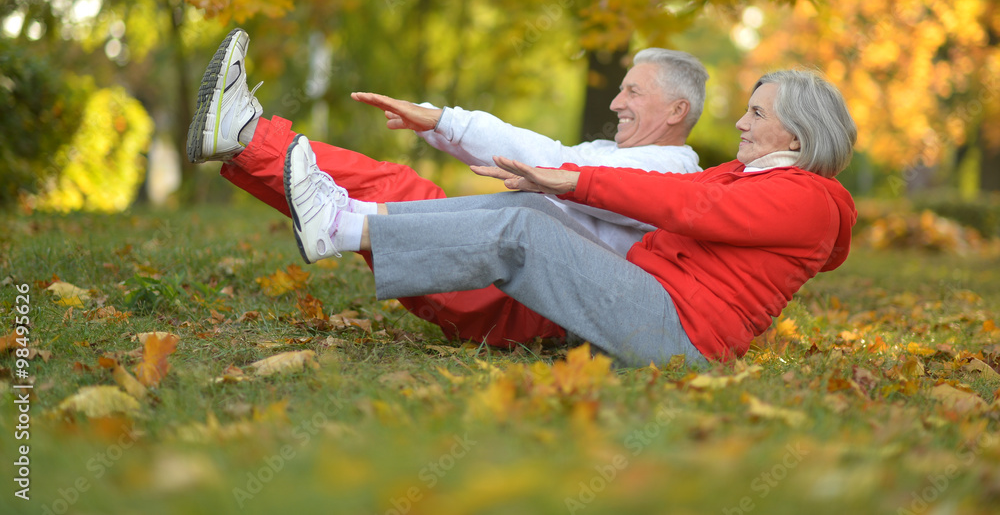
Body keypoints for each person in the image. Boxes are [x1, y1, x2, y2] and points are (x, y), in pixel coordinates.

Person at [281, 69, 858, 366]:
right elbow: (665, 187)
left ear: (799, 132)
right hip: (656, 303)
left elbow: (688, 207)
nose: (740, 123)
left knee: (526, 229)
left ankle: (340, 229)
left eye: (756, 113)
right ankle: (353, 216)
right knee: (531, 208)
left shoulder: (808, 199)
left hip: (681, 337)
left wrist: (576, 180)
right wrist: (554, 179)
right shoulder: (751, 174)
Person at [187, 29, 709, 346]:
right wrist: (439, 123)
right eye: (620, 89)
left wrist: (444, 120)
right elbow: (552, 155)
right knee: (369, 196)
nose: (617, 103)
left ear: (676, 111)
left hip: (518, 305)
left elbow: (550, 160)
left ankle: (247, 137)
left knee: (395, 189)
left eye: (632, 92)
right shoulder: (633, 159)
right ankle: (243, 142)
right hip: (508, 287)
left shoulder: (673, 177)